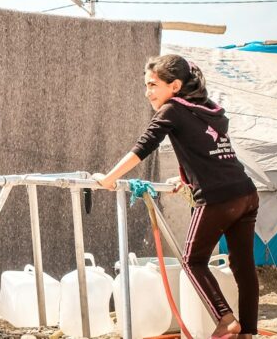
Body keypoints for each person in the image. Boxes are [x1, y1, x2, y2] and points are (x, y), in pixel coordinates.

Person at [94, 54, 258, 339]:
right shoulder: (207, 109)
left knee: (192, 261)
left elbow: (144, 146)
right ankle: (248, 333)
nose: (148, 92)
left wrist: (108, 179)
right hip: (245, 194)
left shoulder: (172, 110)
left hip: (217, 198)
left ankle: (227, 320)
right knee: (243, 266)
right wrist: (185, 178)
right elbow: (204, 151)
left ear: (175, 85)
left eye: (153, 85)